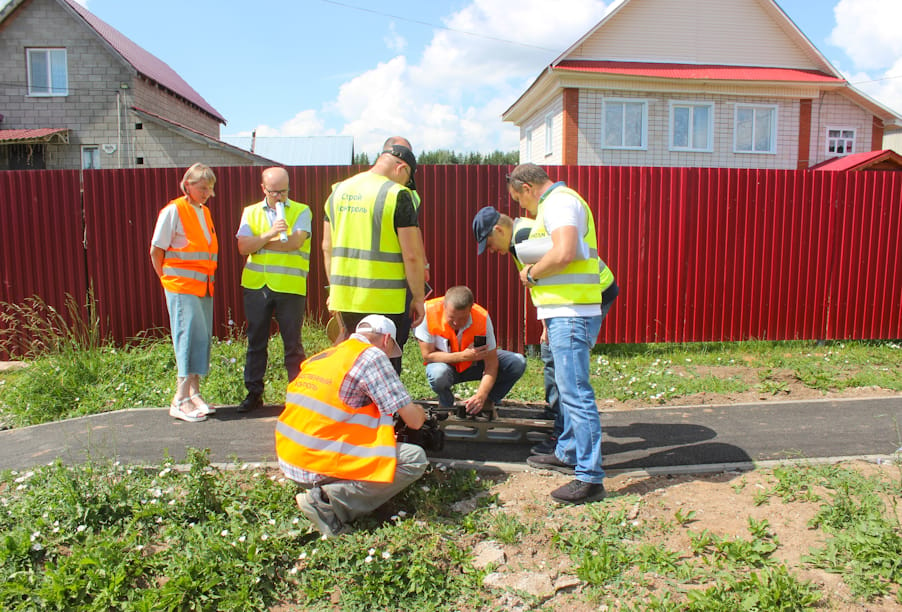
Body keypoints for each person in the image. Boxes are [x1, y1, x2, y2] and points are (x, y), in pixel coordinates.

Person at [504, 163, 618, 504]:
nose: (523, 209)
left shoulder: (559, 203)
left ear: (527, 187)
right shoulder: (556, 205)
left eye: (520, 201)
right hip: (563, 311)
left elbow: (565, 251)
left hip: (571, 312)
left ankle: (589, 476)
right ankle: (568, 452)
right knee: (570, 392)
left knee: (575, 393)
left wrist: (532, 274)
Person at [472, 206, 619, 454]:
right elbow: (539, 283)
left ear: (498, 230)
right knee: (551, 353)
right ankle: (556, 414)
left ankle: (563, 432)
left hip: (592, 293)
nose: (492, 252)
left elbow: (555, 269)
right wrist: (546, 324)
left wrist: (552, 322)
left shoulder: (525, 236)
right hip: (572, 298)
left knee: (565, 366)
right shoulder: (518, 240)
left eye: (489, 244)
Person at [277, 315, 429, 537]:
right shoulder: (372, 357)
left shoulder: (328, 354)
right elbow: (414, 421)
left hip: (292, 458)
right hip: (316, 466)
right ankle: (327, 502)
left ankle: (325, 492)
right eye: (390, 350)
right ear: (386, 340)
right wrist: (420, 412)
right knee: (413, 459)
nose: (389, 356)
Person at [322, 137, 427, 374]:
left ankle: (352, 411)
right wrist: (418, 298)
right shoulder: (397, 194)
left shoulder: (337, 191)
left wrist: (333, 290)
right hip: (385, 301)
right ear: (401, 168)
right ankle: (383, 412)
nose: (407, 184)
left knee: (352, 363)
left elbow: (326, 247)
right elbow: (412, 255)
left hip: (346, 298)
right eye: (407, 178)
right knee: (384, 368)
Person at [235, 167, 312, 413]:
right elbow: (243, 246)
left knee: (293, 343)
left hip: (290, 288)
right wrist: (270, 233)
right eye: (274, 192)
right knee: (256, 342)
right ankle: (253, 393)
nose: (279, 196)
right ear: (263, 189)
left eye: (284, 191)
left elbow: (294, 242)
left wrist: (259, 243)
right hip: (256, 286)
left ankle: (297, 396)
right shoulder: (250, 212)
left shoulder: (301, 211)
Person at [149, 163, 219, 423]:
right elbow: (156, 251)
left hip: (203, 287)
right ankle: (180, 399)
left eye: (210, 188)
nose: (207, 193)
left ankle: (194, 394)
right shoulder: (173, 211)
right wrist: (167, 281)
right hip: (181, 287)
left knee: (200, 339)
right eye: (202, 188)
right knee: (186, 339)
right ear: (187, 185)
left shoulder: (204, 212)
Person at [414, 285, 526, 419]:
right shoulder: (428, 312)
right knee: (438, 374)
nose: (456, 322)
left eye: (463, 318)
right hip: (445, 366)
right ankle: (445, 404)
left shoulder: (482, 318)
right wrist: (463, 356)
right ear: (444, 306)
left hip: (475, 365)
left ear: (471, 309)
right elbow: (428, 356)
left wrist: (481, 395)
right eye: (452, 317)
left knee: (517, 362)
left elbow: (491, 364)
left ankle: (487, 403)